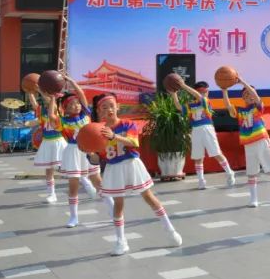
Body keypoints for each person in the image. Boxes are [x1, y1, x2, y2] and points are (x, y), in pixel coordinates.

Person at [95, 93, 182, 255]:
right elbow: (99, 155)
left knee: (148, 196)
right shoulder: (98, 130)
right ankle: (121, 241)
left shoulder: (128, 124)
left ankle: (171, 231)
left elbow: (134, 142)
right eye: (104, 107)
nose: (109, 110)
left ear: (118, 107)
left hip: (131, 163)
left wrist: (114, 136)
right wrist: (90, 152)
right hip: (114, 167)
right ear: (99, 111)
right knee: (118, 203)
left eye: (111, 106)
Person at [222, 78, 270, 207]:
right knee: (251, 172)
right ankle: (254, 199)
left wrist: (242, 82)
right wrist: (224, 90)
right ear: (243, 98)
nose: (250, 96)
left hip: (262, 141)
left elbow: (256, 96)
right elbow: (228, 106)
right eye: (246, 94)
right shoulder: (240, 111)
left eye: (251, 93)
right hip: (248, 144)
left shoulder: (258, 108)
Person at [57, 78, 108, 227]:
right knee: (73, 185)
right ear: (65, 108)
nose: (76, 106)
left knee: (99, 182)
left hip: (89, 150)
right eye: (72, 104)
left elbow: (80, 93)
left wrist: (70, 81)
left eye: (77, 103)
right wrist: (54, 98)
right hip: (73, 151)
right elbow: (54, 112)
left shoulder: (86, 114)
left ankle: (113, 210)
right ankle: (74, 217)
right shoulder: (63, 122)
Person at [171, 80, 236, 190]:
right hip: (195, 130)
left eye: (205, 92)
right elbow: (178, 107)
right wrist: (173, 93)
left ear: (207, 93)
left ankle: (229, 173)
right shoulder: (191, 105)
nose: (203, 94)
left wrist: (183, 85)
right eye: (200, 92)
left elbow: (197, 96)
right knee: (198, 156)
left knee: (216, 153)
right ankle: (201, 180)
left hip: (207, 129)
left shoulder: (206, 101)